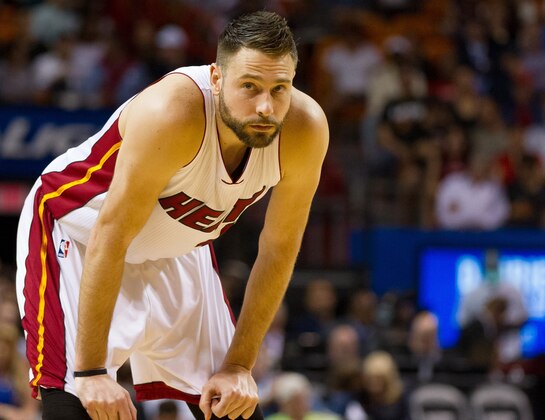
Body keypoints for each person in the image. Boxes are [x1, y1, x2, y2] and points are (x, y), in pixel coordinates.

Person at [15, 11, 328, 420]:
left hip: (180, 247)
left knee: (232, 407)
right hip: (81, 235)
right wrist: (91, 371)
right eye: (249, 87)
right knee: (77, 404)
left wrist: (239, 366)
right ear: (216, 78)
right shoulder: (173, 113)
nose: (265, 106)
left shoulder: (305, 130)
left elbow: (279, 248)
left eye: (279, 88)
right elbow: (112, 234)